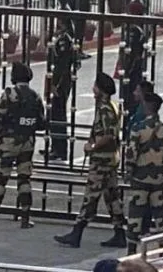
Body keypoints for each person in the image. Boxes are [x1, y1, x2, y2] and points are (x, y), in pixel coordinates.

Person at [54, 73, 126, 248]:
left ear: (100, 89)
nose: (93, 88)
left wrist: (92, 147)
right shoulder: (113, 107)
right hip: (110, 159)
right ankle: (120, 232)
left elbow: (109, 135)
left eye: (95, 85)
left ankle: (77, 232)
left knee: (91, 196)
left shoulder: (105, 109)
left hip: (102, 160)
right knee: (112, 197)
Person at [0, 62, 45, 228]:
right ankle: (25, 218)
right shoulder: (35, 96)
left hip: (8, 142)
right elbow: (41, 123)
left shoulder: (8, 94)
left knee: (1, 178)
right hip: (27, 142)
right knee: (24, 179)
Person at [124, 91, 163, 253]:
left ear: (146, 106)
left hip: (140, 177)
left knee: (136, 213)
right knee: (160, 214)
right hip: (159, 178)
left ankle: (132, 249)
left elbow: (131, 153)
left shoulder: (138, 128)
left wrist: (128, 171)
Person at [45, 19, 77, 160]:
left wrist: (55, 85)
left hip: (60, 83)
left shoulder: (65, 40)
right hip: (54, 79)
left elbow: (63, 66)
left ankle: (61, 149)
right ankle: (54, 145)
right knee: (52, 114)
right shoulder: (58, 37)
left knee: (59, 114)